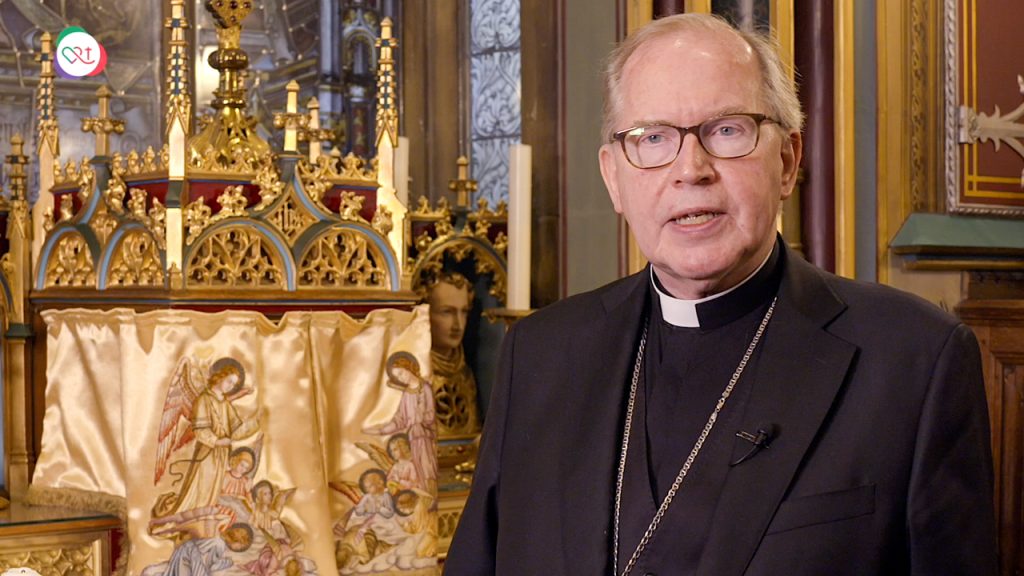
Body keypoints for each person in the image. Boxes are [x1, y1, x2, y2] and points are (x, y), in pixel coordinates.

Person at [445, 13, 997, 576]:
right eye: (652, 138)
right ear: (613, 179)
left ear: (788, 161)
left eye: (727, 130)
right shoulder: (539, 354)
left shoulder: (913, 360)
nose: (691, 170)